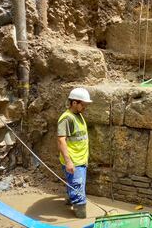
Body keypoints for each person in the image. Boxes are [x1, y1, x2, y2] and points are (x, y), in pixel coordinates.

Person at [57, 88, 92, 218]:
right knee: (78, 191)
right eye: (83, 104)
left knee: (74, 184)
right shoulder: (66, 118)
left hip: (80, 159)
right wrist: (68, 162)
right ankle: (80, 214)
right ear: (74, 103)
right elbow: (61, 140)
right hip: (74, 161)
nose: (85, 107)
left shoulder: (78, 115)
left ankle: (70, 199)